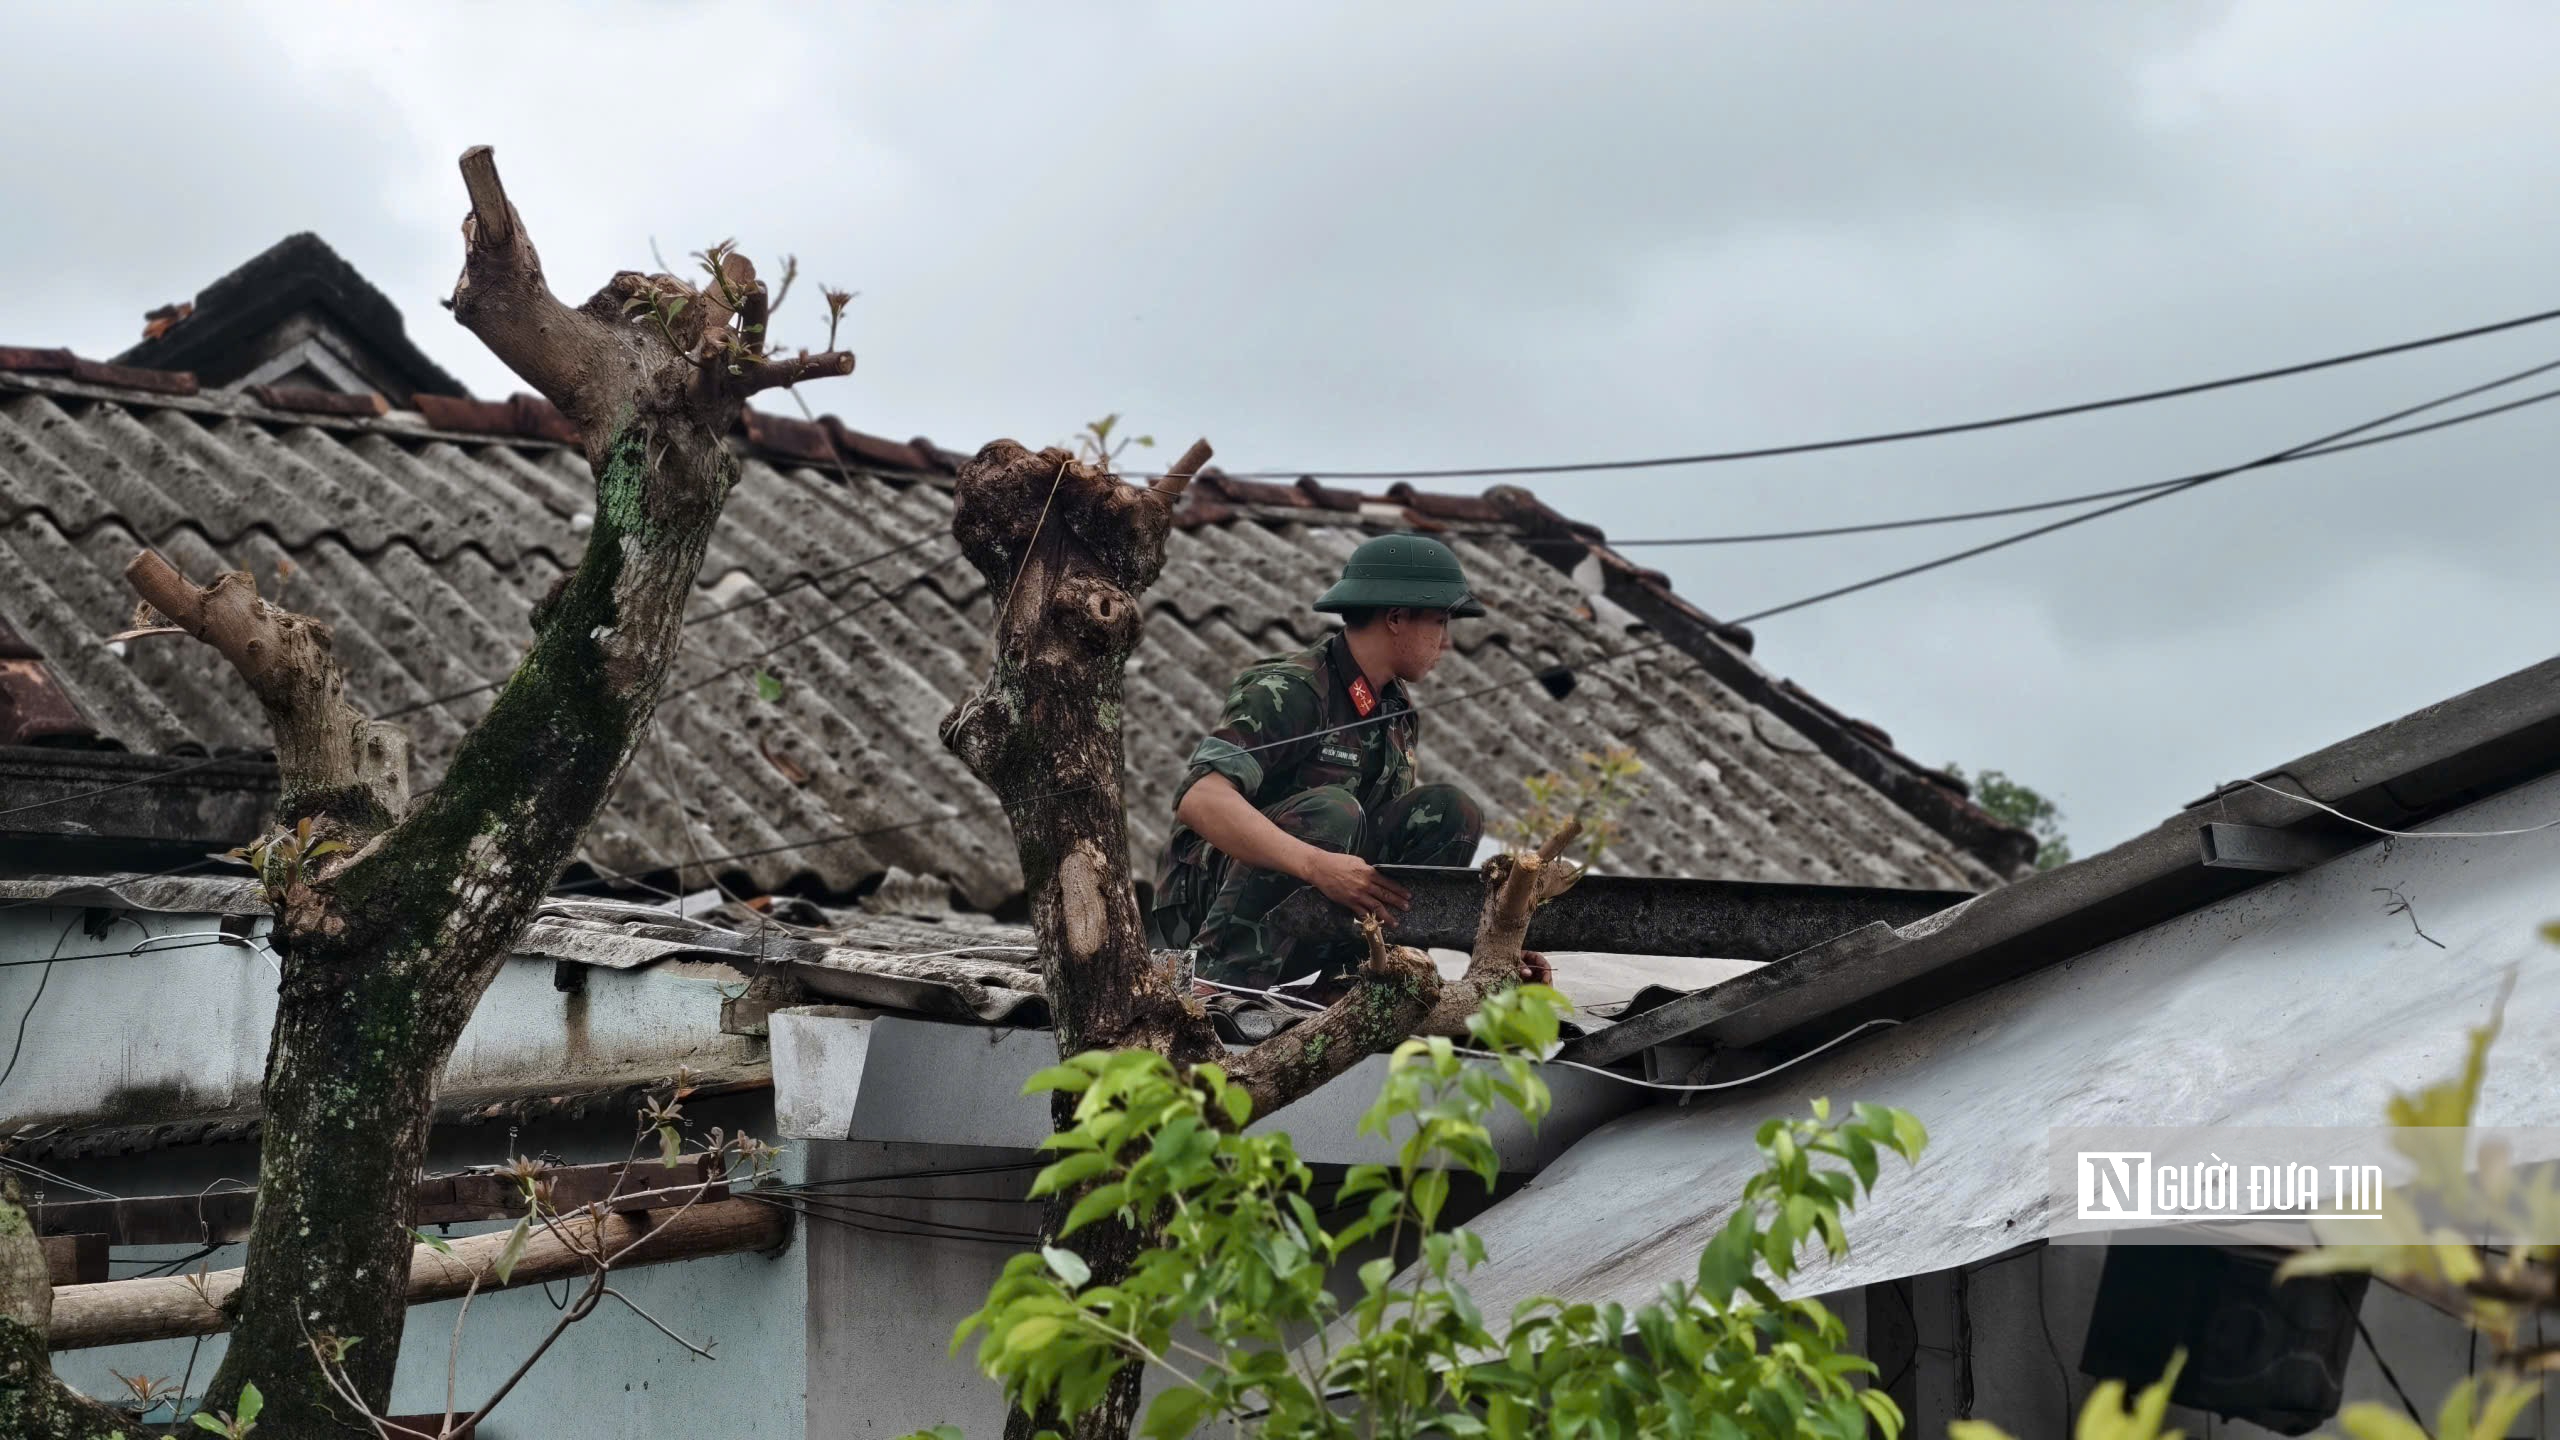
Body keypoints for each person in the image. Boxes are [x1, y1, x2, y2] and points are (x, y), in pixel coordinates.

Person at [1148, 533, 1489, 993]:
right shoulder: (1292, 688)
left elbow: (1388, 851)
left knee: (1450, 811)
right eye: (1440, 621)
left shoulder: (1396, 711)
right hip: (1205, 914)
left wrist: (1489, 942)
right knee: (1333, 811)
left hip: (1312, 913)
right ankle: (1217, 985)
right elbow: (1199, 800)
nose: (1446, 642)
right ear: (1395, 617)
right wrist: (1316, 865)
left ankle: (1364, 982)